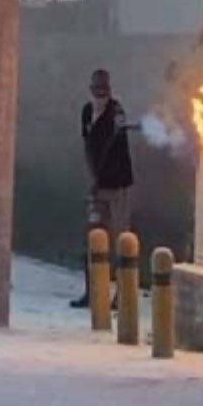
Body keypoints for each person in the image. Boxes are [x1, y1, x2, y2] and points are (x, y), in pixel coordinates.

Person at [72, 69, 135, 309]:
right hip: (98, 187)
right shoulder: (87, 112)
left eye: (103, 92)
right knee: (93, 238)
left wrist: (101, 178)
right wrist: (93, 180)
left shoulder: (116, 112)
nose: (100, 97)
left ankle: (122, 296)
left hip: (118, 187)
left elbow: (113, 148)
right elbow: (88, 147)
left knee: (121, 241)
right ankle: (92, 292)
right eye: (96, 92)